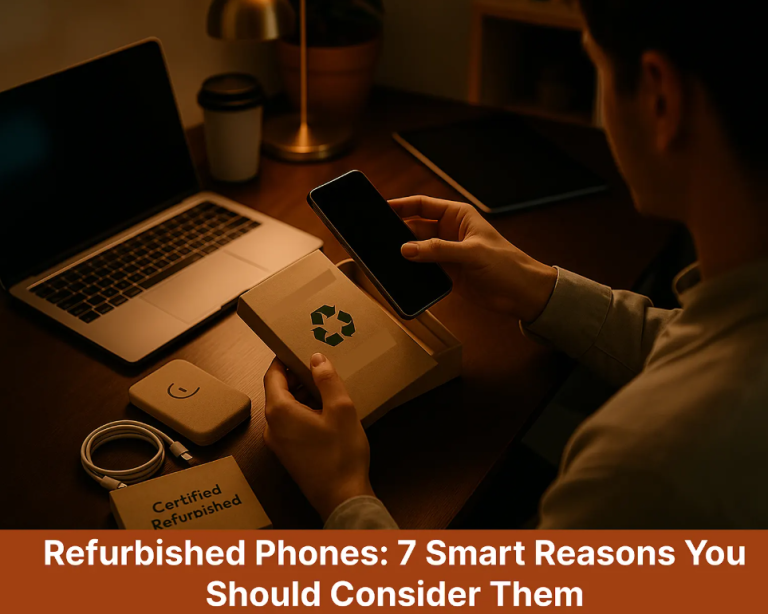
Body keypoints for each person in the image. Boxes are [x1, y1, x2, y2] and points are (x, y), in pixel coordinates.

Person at [262, 0, 768, 529]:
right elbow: (690, 339)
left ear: (660, 99)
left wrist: (343, 492)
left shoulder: (639, 472)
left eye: (595, 66)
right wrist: (538, 286)